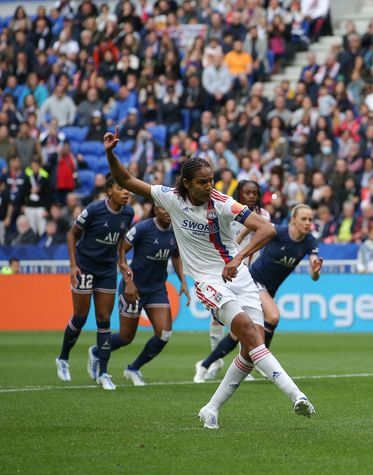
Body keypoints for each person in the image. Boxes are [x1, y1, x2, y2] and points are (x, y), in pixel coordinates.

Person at [102, 127, 315, 428]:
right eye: (202, 182)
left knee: (250, 350)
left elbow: (266, 229)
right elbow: (125, 180)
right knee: (249, 332)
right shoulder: (170, 198)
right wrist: (110, 153)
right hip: (207, 281)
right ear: (186, 182)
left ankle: (210, 409)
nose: (208, 186)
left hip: (238, 276)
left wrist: (239, 258)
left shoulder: (223, 202)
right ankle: (297, 396)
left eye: (211, 180)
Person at [195, 203, 322, 383]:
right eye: (304, 219)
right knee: (273, 316)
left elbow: (314, 274)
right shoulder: (279, 231)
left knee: (240, 334)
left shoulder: (310, 241)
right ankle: (261, 361)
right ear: (293, 220)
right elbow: (250, 227)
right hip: (254, 281)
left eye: (310, 219)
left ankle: (205, 364)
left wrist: (316, 271)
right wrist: (236, 248)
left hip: (270, 289)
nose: (308, 223)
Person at [90, 203, 190, 386]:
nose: (168, 212)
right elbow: (120, 251)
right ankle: (97, 351)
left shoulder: (176, 230)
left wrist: (183, 281)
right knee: (126, 337)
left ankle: (133, 368)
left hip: (157, 289)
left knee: (165, 333)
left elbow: (175, 255)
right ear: (155, 210)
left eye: (170, 209)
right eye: (163, 209)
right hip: (133, 288)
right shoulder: (143, 228)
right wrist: (128, 281)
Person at [55, 174, 134, 390]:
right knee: (80, 316)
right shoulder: (94, 210)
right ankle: (63, 358)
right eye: (121, 188)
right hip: (85, 266)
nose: (126, 192)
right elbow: (72, 234)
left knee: (104, 318)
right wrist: (73, 265)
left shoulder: (129, 213)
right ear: (109, 191)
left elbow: (120, 239)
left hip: (107, 270)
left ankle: (104, 373)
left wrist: (121, 261)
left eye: (127, 188)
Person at [205, 179, 270, 379]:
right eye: (247, 193)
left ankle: (246, 361)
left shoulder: (263, 215)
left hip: (250, 276)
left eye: (254, 193)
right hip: (225, 272)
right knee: (218, 320)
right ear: (239, 195)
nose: (251, 196)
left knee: (249, 321)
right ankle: (214, 363)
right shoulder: (228, 212)